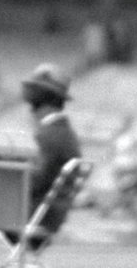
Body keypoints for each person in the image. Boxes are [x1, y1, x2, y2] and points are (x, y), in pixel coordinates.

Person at [18, 63, 82, 244]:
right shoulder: (65, 133)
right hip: (51, 217)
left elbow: (35, 181)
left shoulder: (48, 136)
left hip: (34, 216)